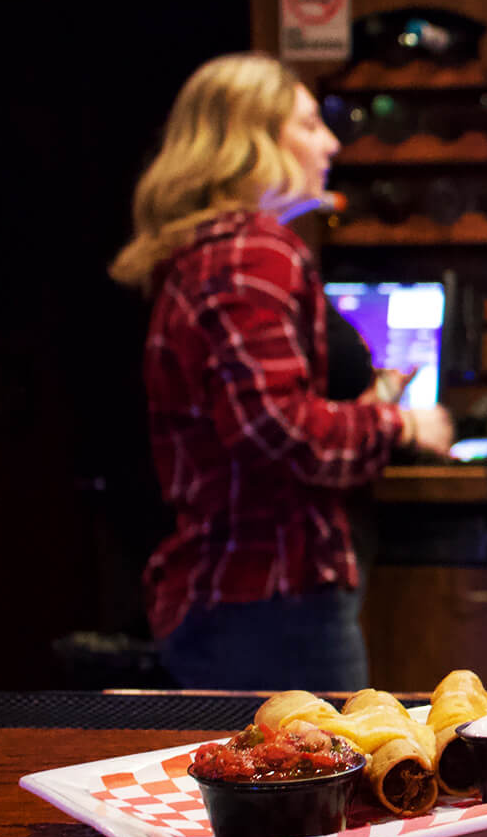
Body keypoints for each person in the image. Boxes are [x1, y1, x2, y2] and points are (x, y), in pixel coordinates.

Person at [110, 52, 453, 691]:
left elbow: (248, 412)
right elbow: (275, 426)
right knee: (318, 784)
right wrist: (399, 424)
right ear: (250, 141)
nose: (330, 141)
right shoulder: (252, 252)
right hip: (268, 596)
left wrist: (367, 395)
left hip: (246, 596)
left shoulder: (218, 249)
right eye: (307, 123)